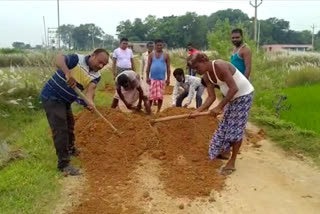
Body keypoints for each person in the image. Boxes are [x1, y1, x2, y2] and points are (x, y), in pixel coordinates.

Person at [41, 49, 109, 175]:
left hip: (65, 101)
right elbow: (59, 59)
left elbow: (90, 91)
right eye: (100, 62)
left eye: (104, 65)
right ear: (93, 55)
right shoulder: (77, 59)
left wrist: (89, 102)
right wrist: (67, 73)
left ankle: (71, 150)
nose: (100, 66)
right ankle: (64, 165)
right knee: (60, 130)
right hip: (52, 97)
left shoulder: (97, 75)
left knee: (70, 125)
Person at [188, 53, 254, 175]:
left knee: (235, 129)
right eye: (194, 70)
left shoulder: (219, 65)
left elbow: (234, 88)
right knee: (224, 126)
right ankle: (224, 151)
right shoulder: (207, 77)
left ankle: (232, 162)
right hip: (232, 98)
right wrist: (198, 111)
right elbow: (211, 97)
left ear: (203, 60)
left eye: (197, 67)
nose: (196, 71)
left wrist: (219, 107)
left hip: (243, 96)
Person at [146, 39, 171, 113]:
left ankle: (158, 111)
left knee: (160, 97)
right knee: (151, 97)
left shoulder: (166, 55)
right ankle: (148, 111)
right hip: (153, 79)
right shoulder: (151, 55)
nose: (159, 47)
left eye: (161, 45)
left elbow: (168, 68)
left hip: (161, 79)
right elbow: (148, 67)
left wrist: (168, 79)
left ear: (162, 45)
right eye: (158, 45)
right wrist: (147, 77)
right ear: (155, 45)